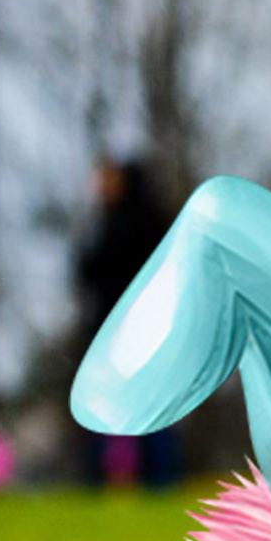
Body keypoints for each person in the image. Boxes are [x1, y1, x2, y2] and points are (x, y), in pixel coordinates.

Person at [72, 155, 181, 488]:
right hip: (151, 329)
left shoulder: (115, 227)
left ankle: (104, 477)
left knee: (108, 407)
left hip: (117, 330)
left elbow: (89, 272)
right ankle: (160, 478)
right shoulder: (160, 225)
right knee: (154, 406)